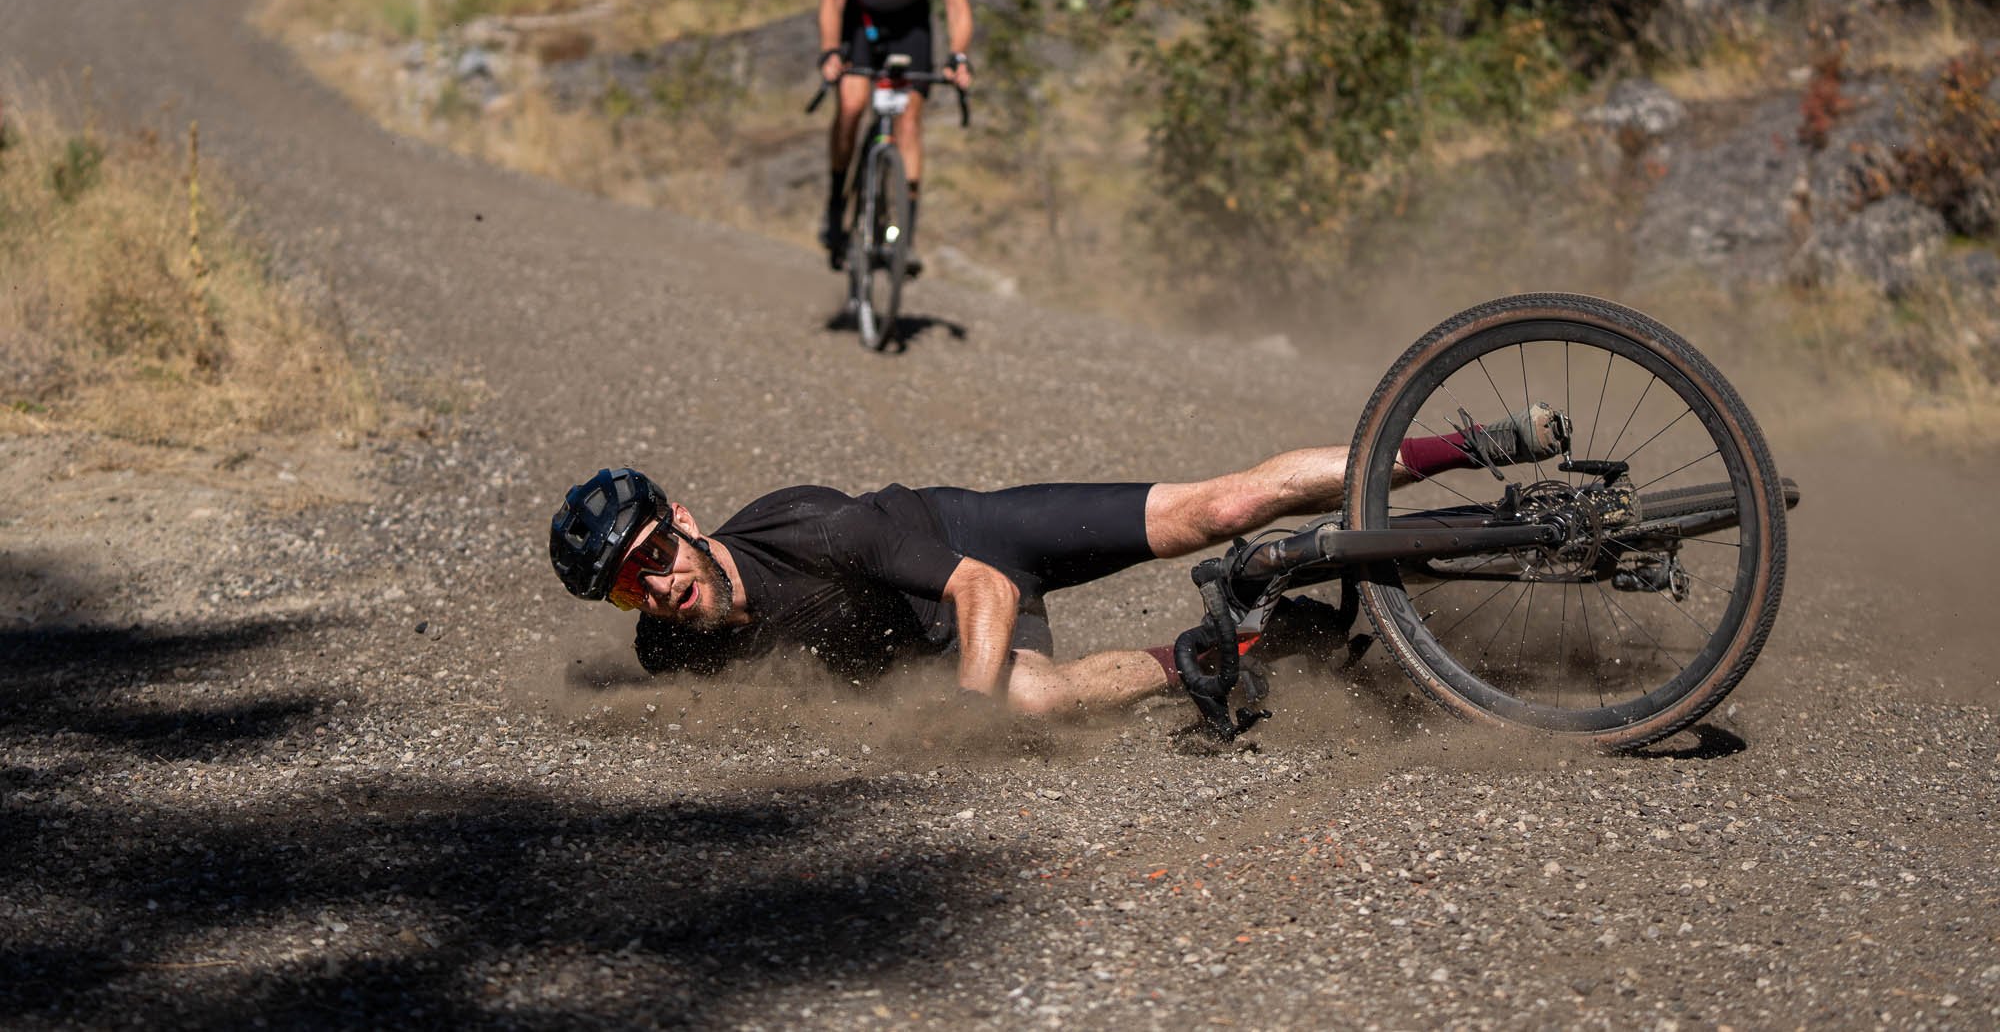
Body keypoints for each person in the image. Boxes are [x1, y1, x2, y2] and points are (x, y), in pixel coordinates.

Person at [547, 405, 1568, 718]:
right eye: (632, 585)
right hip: (959, 623)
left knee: (1225, 503)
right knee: (1032, 696)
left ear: (681, 520)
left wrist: (957, 716)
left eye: (654, 555)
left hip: (979, 546)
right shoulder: (669, 652)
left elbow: (979, 587)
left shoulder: (809, 532)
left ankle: (1459, 447)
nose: (660, 586)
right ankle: (1221, 655)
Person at [816, 0, 974, 276]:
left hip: (911, 26)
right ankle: (835, 205)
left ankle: (902, 235)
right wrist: (831, 50)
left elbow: (956, 1)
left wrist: (959, 55)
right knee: (851, 106)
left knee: (909, 120)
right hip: (859, 23)